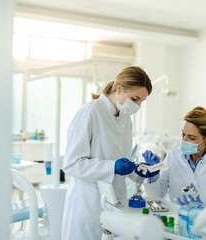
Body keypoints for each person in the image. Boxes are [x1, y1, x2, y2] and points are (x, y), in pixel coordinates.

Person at [61, 66, 155, 240]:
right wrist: (112, 167)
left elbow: (125, 160)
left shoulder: (126, 119)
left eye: (141, 101)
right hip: (89, 201)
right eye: (135, 99)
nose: (138, 106)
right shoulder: (90, 112)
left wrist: (141, 170)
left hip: (115, 200)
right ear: (119, 89)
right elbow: (72, 164)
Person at [144, 106, 206, 206]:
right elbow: (155, 198)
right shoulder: (173, 157)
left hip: (205, 221)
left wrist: (202, 211)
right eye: (183, 134)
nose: (184, 140)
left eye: (192, 138)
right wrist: (153, 175)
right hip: (177, 219)